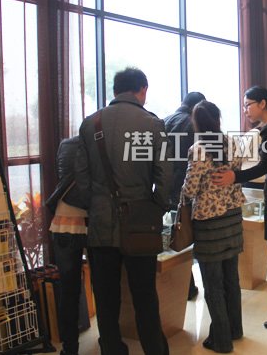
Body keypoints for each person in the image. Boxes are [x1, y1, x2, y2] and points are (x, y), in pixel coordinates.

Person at [75, 67, 171, 355]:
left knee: (105, 297)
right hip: (140, 222)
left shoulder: (90, 124)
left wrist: (96, 205)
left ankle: (112, 348)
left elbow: (81, 178)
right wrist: (157, 207)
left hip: (100, 224)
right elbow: (164, 175)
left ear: (115, 91)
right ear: (142, 90)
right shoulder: (152, 124)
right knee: (144, 295)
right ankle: (154, 350)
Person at [213, 87, 267, 331]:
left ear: (262, 103)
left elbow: (266, 166)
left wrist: (235, 176)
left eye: (248, 104)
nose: (245, 110)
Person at [180, 100, 244, 353]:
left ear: (196, 123)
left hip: (209, 222)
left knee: (213, 283)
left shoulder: (198, 150)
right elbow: (237, 171)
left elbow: (190, 188)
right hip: (233, 216)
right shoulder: (231, 143)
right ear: (217, 119)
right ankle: (235, 329)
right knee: (231, 278)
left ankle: (222, 340)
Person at [45, 136, 88, 355]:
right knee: (103, 287)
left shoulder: (64, 145)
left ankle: (70, 348)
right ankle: (109, 342)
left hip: (62, 222)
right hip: (91, 221)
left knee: (68, 291)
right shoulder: (96, 146)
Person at [164, 91, 206, 301]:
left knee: (176, 236)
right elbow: (193, 162)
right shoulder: (191, 124)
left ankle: (184, 286)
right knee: (191, 236)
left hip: (166, 187)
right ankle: (191, 286)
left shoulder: (164, 121)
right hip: (186, 188)